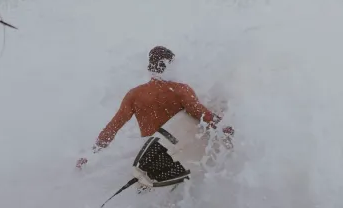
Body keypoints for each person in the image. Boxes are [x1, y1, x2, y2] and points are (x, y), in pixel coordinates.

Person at [76, 46, 233, 169]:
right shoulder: (180, 90)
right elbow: (200, 113)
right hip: (177, 155)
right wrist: (224, 126)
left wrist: (93, 152)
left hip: (147, 155)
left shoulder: (135, 94)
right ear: (169, 65)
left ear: (150, 67)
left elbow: (114, 126)